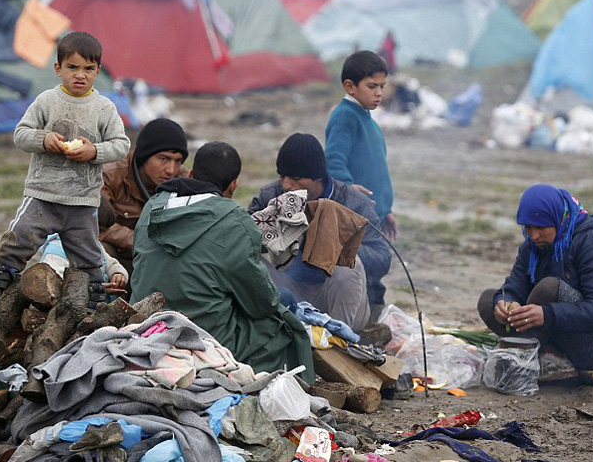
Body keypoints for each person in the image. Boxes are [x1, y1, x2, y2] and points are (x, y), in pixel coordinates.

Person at [0, 31, 131, 311]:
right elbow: (21, 134)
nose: (80, 75)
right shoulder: (47, 101)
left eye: (88, 69)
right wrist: (43, 139)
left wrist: (94, 151)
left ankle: (91, 305)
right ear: (58, 69)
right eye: (72, 67)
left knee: (89, 257)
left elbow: (121, 145)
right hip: (43, 195)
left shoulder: (104, 108)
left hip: (82, 202)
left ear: (98, 71)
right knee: (18, 238)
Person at [131, 142, 315, 382]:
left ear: (191, 174)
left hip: (146, 330)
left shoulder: (152, 207)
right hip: (205, 340)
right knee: (282, 322)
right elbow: (261, 303)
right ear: (233, 186)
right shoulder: (234, 221)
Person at [478, 184, 593, 372]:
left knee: (549, 288)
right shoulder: (532, 247)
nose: (533, 236)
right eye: (528, 227)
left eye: (541, 228)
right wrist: (505, 302)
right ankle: (535, 353)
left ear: (558, 219)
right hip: (562, 330)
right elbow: (515, 286)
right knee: (488, 300)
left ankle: (523, 359)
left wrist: (547, 315)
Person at [249, 133, 392, 328]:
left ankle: (337, 340)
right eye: (282, 176)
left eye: (296, 178)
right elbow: (244, 238)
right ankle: (271, 328)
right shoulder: (271, 195)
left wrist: (335, 245)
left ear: (318, 178)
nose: (286, 185)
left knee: (347, 264)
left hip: (340, 300)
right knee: (252, 256)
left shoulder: (353, 202)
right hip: (291, 294)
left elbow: (382, 258)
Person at [98, 118, 189, 277]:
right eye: (164, 158)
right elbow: (98, 228)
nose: (171, 170)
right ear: (144, 156)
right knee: (99, 249)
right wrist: (143, 242)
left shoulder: (184, 181)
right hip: (121, 259)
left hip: (163, 262)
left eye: (178, 161)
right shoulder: (111, 175)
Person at [324, 50, 397, 243]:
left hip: (374, 215)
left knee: (375, 267)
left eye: (382, 86)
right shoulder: (345, 116)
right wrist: (347, 189)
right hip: (355, 216)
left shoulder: (369, 121)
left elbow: (377, 169)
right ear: (350, 86)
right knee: (360, 269)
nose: (379, 93)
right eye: (372, 86)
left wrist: (385, 210)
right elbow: (333, 160)